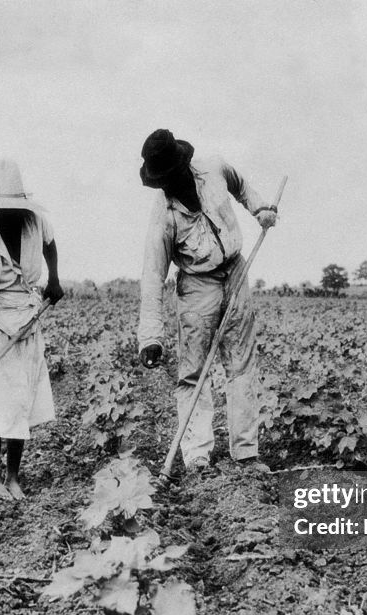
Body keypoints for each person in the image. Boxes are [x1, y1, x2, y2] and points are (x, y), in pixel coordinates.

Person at [136, 129, 277, 473]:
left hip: (235, 270)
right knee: (193, 371)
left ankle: (246, 453)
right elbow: (153, 276)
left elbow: (241, 185)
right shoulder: (165, 216)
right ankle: (197, 455)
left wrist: (260, 209)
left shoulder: (213, 169)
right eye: (161, 182)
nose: (167, 185)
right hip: (197, 284)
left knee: (241, 362)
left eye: (170, 177)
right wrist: (150, 336)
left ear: (183, 166)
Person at [0, 160, 64, 499]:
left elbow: (50, 245)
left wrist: (54, 279)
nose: (5, 214)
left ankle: (14, 477)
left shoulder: (36, 223)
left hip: (26, 317)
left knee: (21, 398)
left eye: (12, 208)